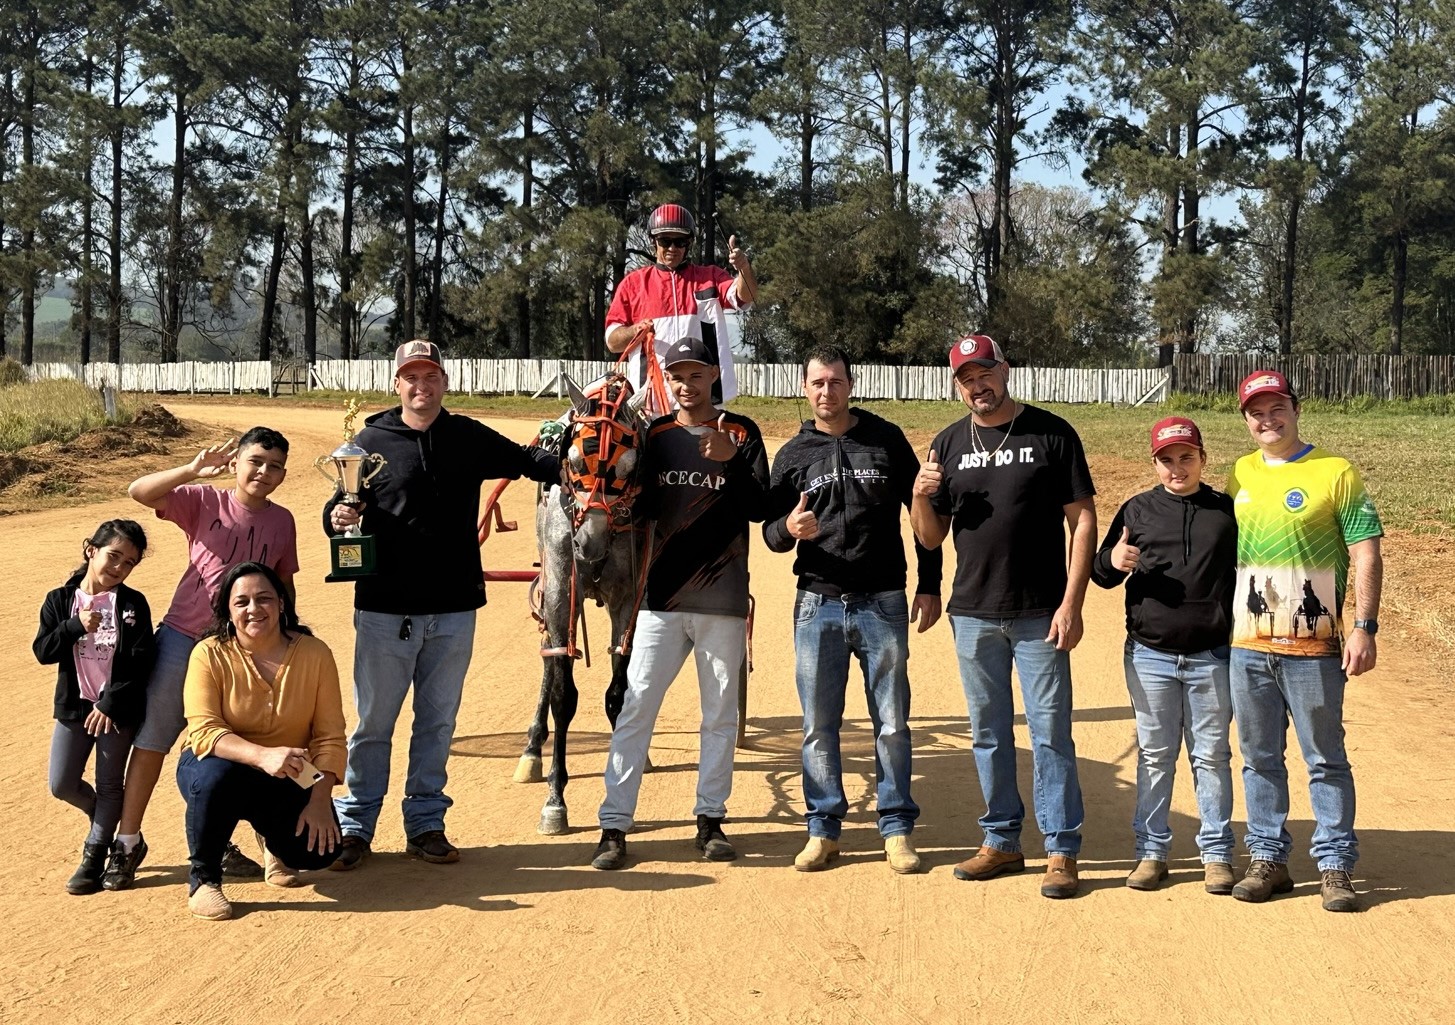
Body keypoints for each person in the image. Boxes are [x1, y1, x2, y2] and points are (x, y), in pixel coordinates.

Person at [324, 339, 559, 869]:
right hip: (384, 609)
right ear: (397, 384)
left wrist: (573, 460)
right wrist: (337, 518)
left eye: (430, 377)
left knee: (436, 724)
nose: (421, 387)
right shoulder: (368, 443)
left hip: (452, 609)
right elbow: (337, 507)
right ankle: (356, 826)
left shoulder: (467, 436)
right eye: (411, 377)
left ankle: (426, 823)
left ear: (444, 384)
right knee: (373, 725)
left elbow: (527, 461)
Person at [910, 334, 1097, 899]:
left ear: (1005, 370)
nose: (978, 385)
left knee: (1050, 733)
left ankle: (1060, 848)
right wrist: (919, 496)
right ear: (957, 386)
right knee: (988, 734)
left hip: (1041, 612)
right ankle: (1001, 840)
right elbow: (930, 536)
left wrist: (1072, 602)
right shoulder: (947, 443)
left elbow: (1083, 520)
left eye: (985, 373)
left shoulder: (1051, 433)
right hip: (973, 613)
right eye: (967, 378)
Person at [591, 336, 770, 870]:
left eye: (695, 375)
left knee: (718, 716)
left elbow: (761, 507)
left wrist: (732, 462)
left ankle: (710, 819)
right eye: (676, 376)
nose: (686, 385)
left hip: (722, 596)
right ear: (666, 381)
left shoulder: (742, 432)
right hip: (660, 597)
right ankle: (614, 825)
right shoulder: (656, 434)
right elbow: (637, 502)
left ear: (714, 375)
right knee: (636, 707)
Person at [761, 346, 942, 874]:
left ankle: (896, 828)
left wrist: (929, 585)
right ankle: (823, 829)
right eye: (818, 383)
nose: (827, 391)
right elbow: (770, 532)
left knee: (892, 721)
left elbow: (922, 512)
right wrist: (787, 529)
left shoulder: (886, 440)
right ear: (805, 388)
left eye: (836, 382)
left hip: (882, 600)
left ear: (851, 385)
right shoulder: (793, 455)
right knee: (819, 724)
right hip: (817, 602)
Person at [113, 426, 299, 889]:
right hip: (184, 637)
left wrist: (289, 634)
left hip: (243, 647)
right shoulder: (203, 500)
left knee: (249, 742)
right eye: (255, 461)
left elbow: (283, 582)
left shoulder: (282, 521)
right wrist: (191, 470)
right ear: (236, 462)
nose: (264, 472)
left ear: (282, 475)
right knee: (154, 739)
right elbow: (139, 491)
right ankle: (127, 841)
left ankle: (266, 846)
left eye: (275, 466)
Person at [1225, 370, 1383, 912]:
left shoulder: (1335, 471)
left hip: (1313, 646)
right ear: (1246, 420)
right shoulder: (1240, 474)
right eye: (1257, 412)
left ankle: (1335, 866)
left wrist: (1364, 626)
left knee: (1325, 758)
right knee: (1258, 757)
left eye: (1277, 408)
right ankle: (1267, 859)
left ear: (1296, 409)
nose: (1268, 419)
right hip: (1248, 645)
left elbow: (1366, 551)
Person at [1091, 417, 1239, 894]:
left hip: (1211, 655)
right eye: (1167, 460)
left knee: (1211, 756)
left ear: (1202, 458)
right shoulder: (1138, 509)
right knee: (1155, 755)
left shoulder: (1226, 511)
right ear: (1155, 463)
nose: (1177, 468)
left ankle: (1216, 854)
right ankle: (1151, 852)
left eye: (1186, 457)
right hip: (1150, 655)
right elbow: (1101, 572)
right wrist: (1113, 561)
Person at [178, 562, 346, 920]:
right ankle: (204, 880)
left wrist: (319, 800)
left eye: (264, 598)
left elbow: (329, 737)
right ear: (228, 611)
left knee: (318, 853)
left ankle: (273, 843)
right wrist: (262, 756)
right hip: (216, 762)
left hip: (291, 769)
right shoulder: (208, 653)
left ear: (281, 603)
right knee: (216, 778)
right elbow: (204, 731)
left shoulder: (315, 653)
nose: (254, 609)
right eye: (241, 602)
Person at [33, 520, 156, 895]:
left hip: (116, 711)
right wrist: (74, 626)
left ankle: (94, 854)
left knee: (109, 783)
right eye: (113, 556)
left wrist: (110, 703)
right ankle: (100, 814)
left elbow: (142, 660)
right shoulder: (59, 600)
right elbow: (43, 651)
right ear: (91, 550)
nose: (119, 567)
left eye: (129, 562)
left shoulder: (132, 604)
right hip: (74, 707)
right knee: (61, 783)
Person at [604, 203, 758, 414]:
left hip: (705, 402)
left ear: (689, 243)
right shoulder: (632, 284)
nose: (672, 248)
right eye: (665, 241)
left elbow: (746, 297)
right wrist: (635, 331)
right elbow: (613, 342)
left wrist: (744, 268)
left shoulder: (711, 277)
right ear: (653, 241)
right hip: (650, 406)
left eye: (680, 241)